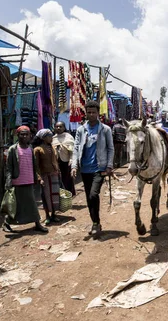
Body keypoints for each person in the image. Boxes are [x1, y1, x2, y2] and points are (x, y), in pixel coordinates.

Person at [71, 100, 114, 238]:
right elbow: (76, 147)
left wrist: (109, 165)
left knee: (93, 194)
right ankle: (95, 222)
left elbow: (110, 148)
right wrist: (74, 165)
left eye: (93, 112)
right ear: (86, 113)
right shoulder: (80, 130)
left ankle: (96, 223)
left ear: (98, 113)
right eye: (89, 112)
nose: (91, 115)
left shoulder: (105, 129)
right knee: (89, 199)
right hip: (85, 169)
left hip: (99, 168)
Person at [4, 126, 48, 233]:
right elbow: (9, 167)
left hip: (29, 180)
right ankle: (6, 222)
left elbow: (35, 166)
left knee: (32, 203)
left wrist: (38, 177)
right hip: (17, 181)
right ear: (17, 135)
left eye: (26, 134)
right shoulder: (13, 149)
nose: (24, 136)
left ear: (30, 136)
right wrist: (9, 181)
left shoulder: (30, 149)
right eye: (21, 134)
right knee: (16, 205)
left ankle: (37, 223)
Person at [33, 129, 60, 225]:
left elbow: (55, 161)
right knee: (45, 196)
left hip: (54, 174)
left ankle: (53, 214)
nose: (51, 138)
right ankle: (47, 216)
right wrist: (39, 178)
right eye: (49, 136)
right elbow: (36, 166)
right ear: (44, 138)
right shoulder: (38, 149)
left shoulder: (52, 147)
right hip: (45, 176)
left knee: (55, 195)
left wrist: (58, 171)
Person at [53, 121, 76, 197]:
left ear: (64, 128)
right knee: (58, 180)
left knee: (67, 179)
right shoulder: (53, 138)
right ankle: (61, 196)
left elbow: (72, 150)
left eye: (60, 126)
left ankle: (68, 196)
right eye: (57, 126)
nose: (58, 128)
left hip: (66, 161)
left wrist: (71, 160)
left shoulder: (68, 137)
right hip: (56, 162)